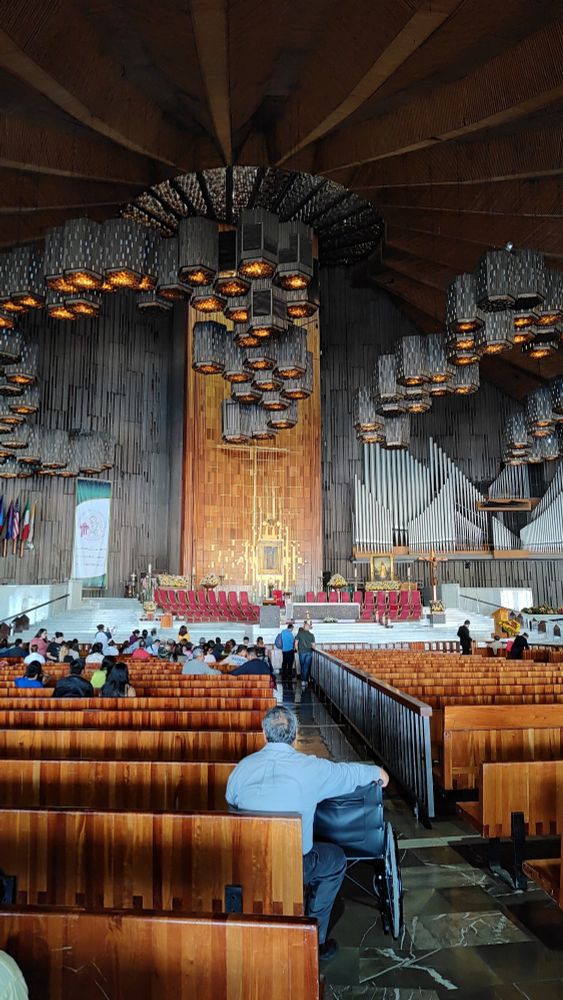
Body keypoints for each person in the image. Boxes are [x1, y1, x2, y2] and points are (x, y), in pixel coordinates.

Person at [226, 706, 389, 960]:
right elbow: (347, 773)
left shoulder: (242, 768)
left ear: (263, 733)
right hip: (294, 864)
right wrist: (376, 772)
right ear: (295, 733)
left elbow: (231, 805)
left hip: (248, 859)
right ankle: (314, 937)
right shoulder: (311, 768)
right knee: (335, 859)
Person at [296, 621, 316, 689]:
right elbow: (313, 646)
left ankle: (303, 680)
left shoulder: (300, 633)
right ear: (309, 628)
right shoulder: (311, 635)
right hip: (309, 652)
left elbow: (296, 643)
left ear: (304, 627)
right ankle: (305, 680)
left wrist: (297, 650)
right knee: (306, 666)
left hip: (301, 652)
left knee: (302, 666)